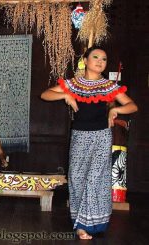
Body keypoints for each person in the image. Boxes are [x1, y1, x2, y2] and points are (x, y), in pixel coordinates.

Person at [41, 46, 137, 240]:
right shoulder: (73, 84)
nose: (100, 61)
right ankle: (81, 219)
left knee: (94, 179)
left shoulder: (108, 86)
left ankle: (84, 225)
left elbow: (132, 105)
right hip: (79, 136)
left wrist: (115, 110)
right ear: (85, 60)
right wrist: (65, 95)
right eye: (96, 57)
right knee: (76, 178)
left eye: (104, 58)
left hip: (102, 136)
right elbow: (45, 94)